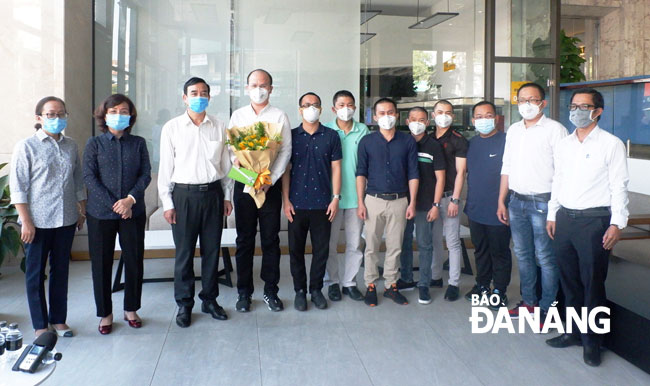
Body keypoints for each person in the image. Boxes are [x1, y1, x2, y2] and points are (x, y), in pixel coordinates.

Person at [545, 88, 628, 367]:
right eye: (574, 106)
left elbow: (619, 187)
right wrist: (552, 214)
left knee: (593, 284)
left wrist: (617, 223)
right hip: (565, 219)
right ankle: (572, 332)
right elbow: (557, 180)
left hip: (594, 222)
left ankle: (593, 342)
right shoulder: (564, 144)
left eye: (584, 106)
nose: (577, 111)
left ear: (598, 111)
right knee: (568, 282)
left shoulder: (611, 144)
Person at [158, 77, 233, 327]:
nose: (199, 97)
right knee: (184, 254)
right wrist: (167, 203)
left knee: (212, 252)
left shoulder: (220, 126)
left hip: (213, 195)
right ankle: (184, 304)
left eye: (203, 93)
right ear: (184, 97)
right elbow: (165, 169)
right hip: (183, 197)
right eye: (193, 92)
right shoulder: (172, 128)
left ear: (209, 97)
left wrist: (227, 196)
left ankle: (210, 299)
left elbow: (226, 166)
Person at [10, 96, 86, 337]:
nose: (57, 118)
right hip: (37, 222)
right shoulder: (26, 146)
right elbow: (18, 187)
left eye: (61, 114)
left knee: (61, 271)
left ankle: (59, 319)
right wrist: (27, 221)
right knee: (35, 274)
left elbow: (78, 180)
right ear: (39, 118)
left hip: (65, 219)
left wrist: (81, 209)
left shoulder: (71, 145)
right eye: (51, 114)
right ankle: (40, 324)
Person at [497, 83, 568, 322]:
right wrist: (501, 200)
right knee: (523, 255)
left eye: (532, 99)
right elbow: (506, 166)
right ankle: (529, 302)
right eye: (522, 100)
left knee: (545, 257)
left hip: (543, 203)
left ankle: (547, 308)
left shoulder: (555, 130)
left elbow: (562, 172)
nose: (527, 104)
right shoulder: (514, 130)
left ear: (543, 103)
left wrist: (554, 211)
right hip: (516, 201)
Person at [83, 94, 151, 334]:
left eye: (124, 111)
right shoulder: (94, 144)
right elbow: (89, 177)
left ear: (131, 116)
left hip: (133, 212)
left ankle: (131, 308)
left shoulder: (139, 143)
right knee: (101, 264)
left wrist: (130, 200)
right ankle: (105, 313)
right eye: (114, 111)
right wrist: (116, 204)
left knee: (134, 260)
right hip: (101, 214)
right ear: (104, 115)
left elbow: (145, 174)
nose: (119, 115)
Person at [228, 69, 292, 313]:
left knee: (270, 240)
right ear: (246, 88)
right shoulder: (238, 116)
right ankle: (244, 292)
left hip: (269, 187)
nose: (259, 89)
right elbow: (232, 153)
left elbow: (285, 151)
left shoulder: (279, 116)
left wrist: (270, 179)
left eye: (263, 85)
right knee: (244, 241)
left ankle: (271, 291)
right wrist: (248, 177)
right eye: (254, 85)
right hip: (243, 185)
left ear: (271, 89)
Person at [282, 92, 342, 311]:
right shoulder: (290, 136)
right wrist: (285, 200)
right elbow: (285, 171)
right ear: (299, 110)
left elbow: (337, 168)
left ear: (321, 109)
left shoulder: (331, 136)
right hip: (296, 204)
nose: (311, 108)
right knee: (295, 251)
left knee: (321, 250)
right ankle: (300, 290)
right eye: (306, 105)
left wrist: (335, 198)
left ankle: (316, 290)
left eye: (315, 105)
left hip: (323, 204)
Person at [357, 97, 418, 307]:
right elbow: (360, 174)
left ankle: (391, 285)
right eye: (382, 113)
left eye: (390, 112)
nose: (386, 117)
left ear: (397, 115)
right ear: (374, 117)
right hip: (373, 200)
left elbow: (413, 173)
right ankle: (371, 285)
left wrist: (412, 203)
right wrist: (360, 202)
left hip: (400, 201)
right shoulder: (366, 142)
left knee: (395, 246)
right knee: (371, 246)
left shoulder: (407, 141)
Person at [463, 101, 512, 310]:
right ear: (473, 121)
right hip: (475, 208)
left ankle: (499, 290)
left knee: (499, 252)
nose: (484, 120)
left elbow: (509, 174)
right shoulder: (471, 143)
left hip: (498, 210)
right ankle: (482, 285)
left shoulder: (507, 141)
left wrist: (505, 203)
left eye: (488, 115)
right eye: (479, 116)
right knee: (480, 250)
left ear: (496, 118)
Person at [323, 90, 369, 302]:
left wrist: (363, 199)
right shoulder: (326, 131)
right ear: (334, 109)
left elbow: (368, 163)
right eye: (341, 105)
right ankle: (332, 282)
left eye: (350, 105)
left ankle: (350, 282)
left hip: (356, 197)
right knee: (330, 243)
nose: (346, 109)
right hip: (331, 197)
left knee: (354, 243)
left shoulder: (363, 130)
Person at [398, 107, 446, 304]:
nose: (417, 122)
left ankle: (424, 284)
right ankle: (406, 278)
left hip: (426, 204)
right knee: (404, 242)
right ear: (407, 121)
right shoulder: (401, 142)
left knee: (425, 244)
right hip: (403, 202)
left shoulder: (433, 146)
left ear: (427, 122)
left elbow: (440, 178)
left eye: (421, 119)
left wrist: (436, 205)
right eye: (413, 119)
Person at [430, 100, 468, 301]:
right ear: (433, 114)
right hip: (433, 199)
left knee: (452, 241)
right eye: (440, 112)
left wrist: (455, 199)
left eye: (448, 112)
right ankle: (436, 276)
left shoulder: (458, 140)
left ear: (453, 116)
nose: (444, 115)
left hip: (450, 197)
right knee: (435, 239)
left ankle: (453, 283)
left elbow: (461, 172)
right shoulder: (427, 139)